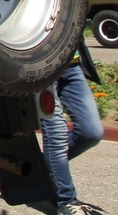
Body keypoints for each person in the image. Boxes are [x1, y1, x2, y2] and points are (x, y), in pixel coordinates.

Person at [42, 36, 108, 215]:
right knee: (56, 136)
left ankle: (41, 169)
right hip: (40, 68)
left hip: (71, 64)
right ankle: (66, 201)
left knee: (91, 132)